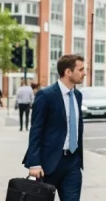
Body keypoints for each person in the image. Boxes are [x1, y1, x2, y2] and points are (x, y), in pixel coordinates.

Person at [22, 54, 86, 201]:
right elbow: (36, 130)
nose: (84, 73)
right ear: (68, 72)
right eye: (81, 69)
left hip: (73, 163)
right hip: (47, 164)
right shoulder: (46, 95)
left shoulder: (78, 95)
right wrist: (34, 163)